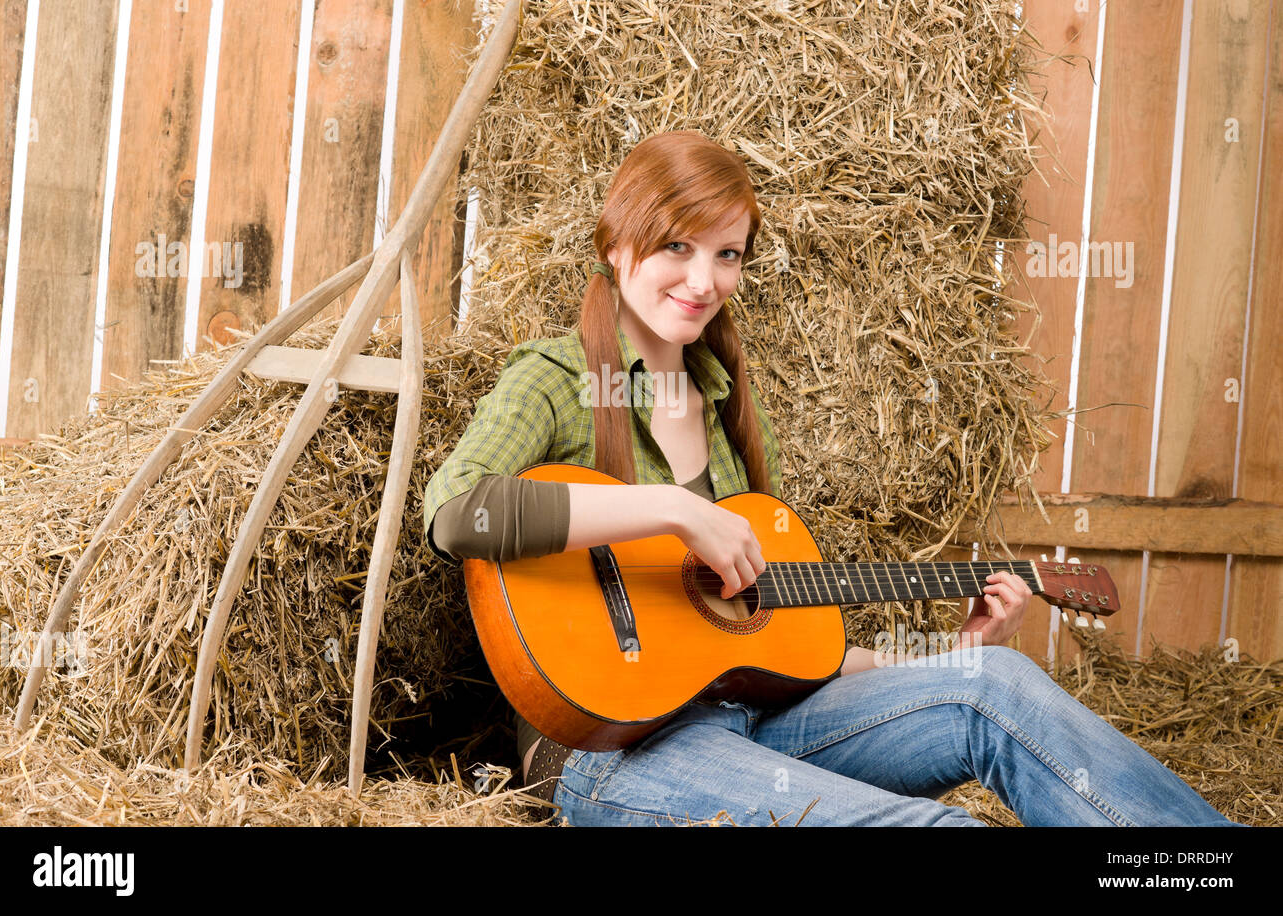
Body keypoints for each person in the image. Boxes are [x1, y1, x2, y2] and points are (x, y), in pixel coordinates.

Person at [421, 129, 1239, 826]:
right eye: (678, 245)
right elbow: (458, 513)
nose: (702, 281)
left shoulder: (727, 405)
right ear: (617, 243)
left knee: (993, 682)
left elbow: (764, 641)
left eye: (727, 254)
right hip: (610, 748)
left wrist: (942, 657)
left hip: (753, 725)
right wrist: (670, 509)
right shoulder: (558, 379)